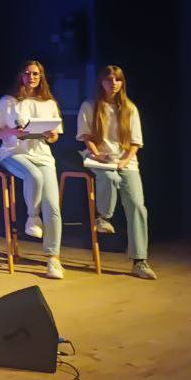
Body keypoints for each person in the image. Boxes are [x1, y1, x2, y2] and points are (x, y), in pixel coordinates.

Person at [76, 66, 156, 280]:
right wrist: (97, 155)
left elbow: (135, 142)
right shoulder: (90, 106)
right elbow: (86, 137)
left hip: (126, 162)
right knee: (109, 177)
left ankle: (139, 260)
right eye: (109, 79)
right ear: (101, 82)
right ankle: (103, 217)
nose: (113, 84)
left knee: (137, 206)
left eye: (117, 80)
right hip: (99, 158)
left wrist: (125, 161)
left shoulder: (129, 108)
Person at [0, 60, 65, 279]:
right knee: (34, 175)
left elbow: (55, 136)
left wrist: (51, 135)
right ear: (21, 76)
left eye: (36, 74)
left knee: (53, 206)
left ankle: (53, 259)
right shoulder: (8, 102)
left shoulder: (49, 103)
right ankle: (32, 217)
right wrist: (13, 132)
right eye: (28, 73)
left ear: (41, 77)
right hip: (13, 154)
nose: (32, 77)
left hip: (43, 156)